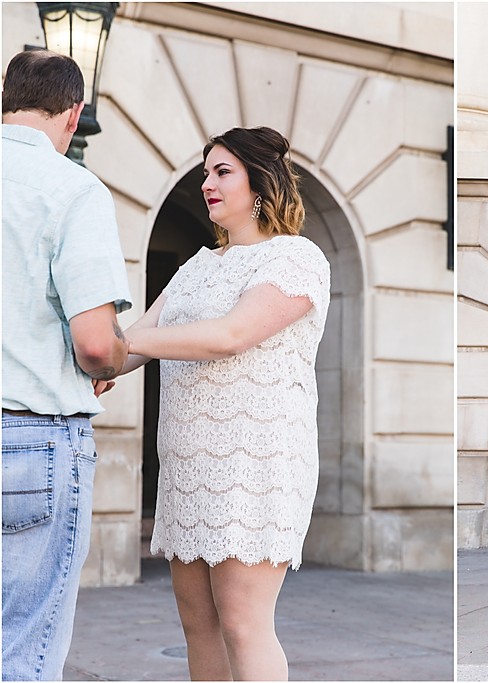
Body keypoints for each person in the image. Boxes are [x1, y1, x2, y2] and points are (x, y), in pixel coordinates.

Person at [117, 126, 330, 679]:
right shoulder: (196, 265)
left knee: (242, 621)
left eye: (222, 171)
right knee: (197, 622)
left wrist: (125, 344)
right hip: (189, 465)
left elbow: (230, 335)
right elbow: (136, 340)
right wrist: (94, 354)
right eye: (206, 172)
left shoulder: (296, 258)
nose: (207, 183)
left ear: (261, 183)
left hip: (254, 465)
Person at [2, 49, 134, 682]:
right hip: (30, 440)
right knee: (22, 649)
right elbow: (94, 343)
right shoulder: (71, 188)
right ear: (74, 113)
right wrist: (112, 357)